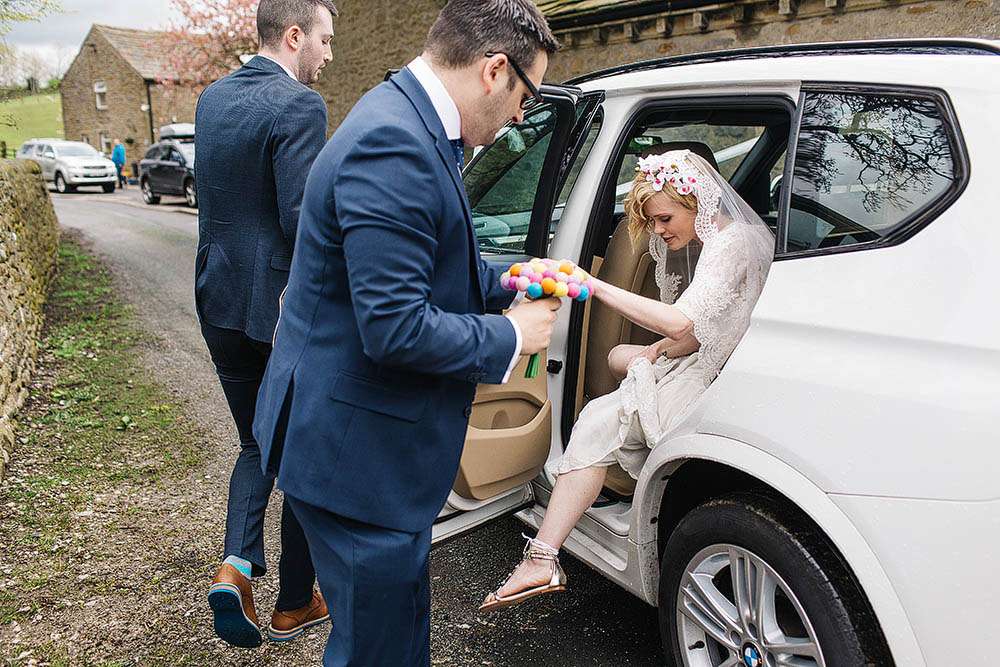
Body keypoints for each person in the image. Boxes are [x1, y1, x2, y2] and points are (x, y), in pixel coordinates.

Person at [251, 1, 561, 663]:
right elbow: (393, 327)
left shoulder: (409, 118)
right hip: (355, 460)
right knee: (377, 651)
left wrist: (513, 279)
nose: (520, 116)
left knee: (397, 638)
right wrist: (511, 336)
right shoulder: (393, 143)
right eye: (527, 96)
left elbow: (430, 264)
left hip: (366, 452)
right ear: (494, 71)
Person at [480, 150, 775, 611]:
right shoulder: (734, 237)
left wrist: (593, 286)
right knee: (620, 360)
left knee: (596, 419)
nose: (658, 231)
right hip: (710, 358)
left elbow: (681, 321)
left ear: (695, 201)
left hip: (713, 375)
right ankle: (543, 556)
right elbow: (708, 326)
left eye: (664, 218)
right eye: (652, 222)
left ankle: (541, 558)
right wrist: (655, 352)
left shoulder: (732, 243)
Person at [194, 0, 336, 649]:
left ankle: (236, 565)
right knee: (302, 453)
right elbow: (302, 221)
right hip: (277, 310)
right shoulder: (299, 106)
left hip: (217, 297)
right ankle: (293, 604)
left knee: (257, 443)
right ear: (294, 35)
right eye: (324, 41)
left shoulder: (212, 99)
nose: (328, 55)